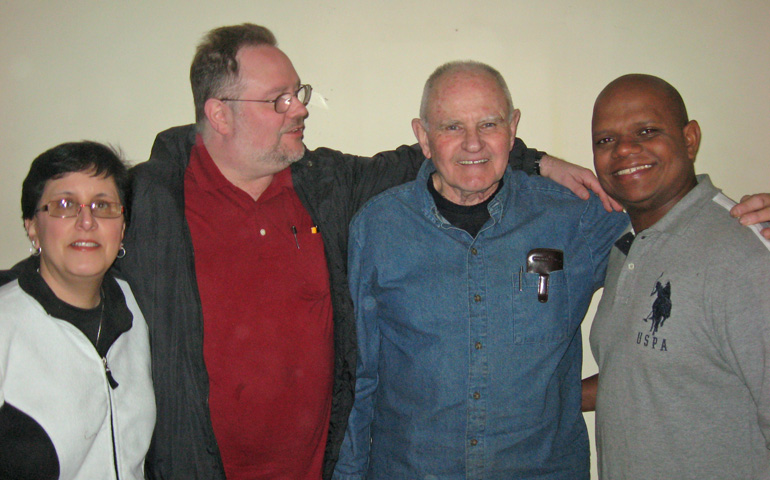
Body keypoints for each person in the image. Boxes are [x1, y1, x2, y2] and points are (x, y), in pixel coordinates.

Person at [119, 23, 603, 480]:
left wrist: (535, 161)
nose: (300, 108)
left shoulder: (326, 188)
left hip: (317, 470)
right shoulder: (145, 204)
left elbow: (449, 148)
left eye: (299, 93)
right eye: (279, 99)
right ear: (220, 113)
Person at [332, 61, 629, 479]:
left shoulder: (573, 219)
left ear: (513, 128)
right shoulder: (379, 228)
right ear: (423, 137)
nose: (473, 144)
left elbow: (667, 243)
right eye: (452, 127)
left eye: (488, 124)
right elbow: (359, 378)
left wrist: (743, 222)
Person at [587, 74, 770, 479]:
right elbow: (644, 371)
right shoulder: (630, 243)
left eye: (646, 131)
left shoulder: (744, 256)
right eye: (605, 140)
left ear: (689, 139)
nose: (624, 150)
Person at [0, 141, 155, 479]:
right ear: (31, 225)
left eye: (103, 205)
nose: (87, 221)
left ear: (123, 227)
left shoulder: (135, 307)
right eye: (64, 205)